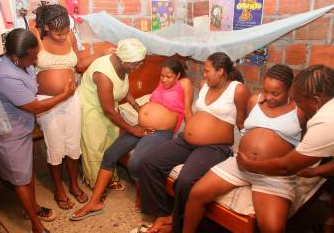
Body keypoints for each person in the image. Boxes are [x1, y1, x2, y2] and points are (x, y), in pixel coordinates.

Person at [183, 64, 307, 233]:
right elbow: (244, 126)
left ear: (290, 90)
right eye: (266, 91)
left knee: (273, 228)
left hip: (273, 174)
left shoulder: (299, 111)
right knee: (197, 194)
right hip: (239, 164)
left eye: (275, 93)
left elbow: (305, 142)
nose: (268, 97)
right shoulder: (254, 101)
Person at [138, 52, 251, 233]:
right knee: (149, 163)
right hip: (186, 140)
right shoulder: (204, 85)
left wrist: (248, 148)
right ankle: (162, 214)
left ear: (221, 71)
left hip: (215, 147)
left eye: (207, 70)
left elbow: (243, 123)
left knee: (185, 180)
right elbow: (193, 112)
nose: (203, 74)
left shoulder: (237, 90)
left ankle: (177, 222)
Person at [69, 58, 194, 221]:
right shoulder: (162, 83)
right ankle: (94, 202)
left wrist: (191, 137)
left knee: (135, 163)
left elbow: (188, 112)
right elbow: (154, 101)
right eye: (162, 75)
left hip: (161, 132)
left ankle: (141, 194)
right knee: (110, 154)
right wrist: (141, 111)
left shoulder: (185, 84)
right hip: (141, 128)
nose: (163, 79)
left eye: (168, 76)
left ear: (178, 75)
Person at [0, 29, 76, 233]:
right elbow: (34, 106)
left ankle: (33, 208)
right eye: (33, 56)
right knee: (21, 179)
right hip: (9, 134)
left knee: (26, 174)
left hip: (22, 127)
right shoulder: (5, 76)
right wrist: (64, 94)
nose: (36, 59)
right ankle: (36, 226)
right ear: (17, 58)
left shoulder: (22, 63)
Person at [236, 64, 334, 233]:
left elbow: (286, 166)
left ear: (316, 100)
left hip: (266, 172)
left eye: (300, 102)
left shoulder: (325, 123)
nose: (299, 106)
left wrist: (250, 164)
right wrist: (313, 172)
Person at [32, 3, 92, 210]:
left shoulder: (70, 36)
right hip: (47, 103)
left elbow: (79, 66)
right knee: (55, 146)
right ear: (47, 27)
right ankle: (59, 188)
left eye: (66, 31)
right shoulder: (35, 36)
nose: (63, 36)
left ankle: (74, 184)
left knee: (73, 143)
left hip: (71, 99)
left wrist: (101, 55)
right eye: (58, 33)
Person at [79, 38, 149, 190]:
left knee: (110, 143)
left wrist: (137, 106)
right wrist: (132, 129)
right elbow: (108, 111)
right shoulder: (103, 74)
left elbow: (123, 88)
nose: (139, 67)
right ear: (124, 61)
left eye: (141, 63)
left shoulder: (124, 67)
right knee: (95, 148)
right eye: (136, 64)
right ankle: (96, 184)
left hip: (109, 105)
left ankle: (109, 177)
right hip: (92, 107)